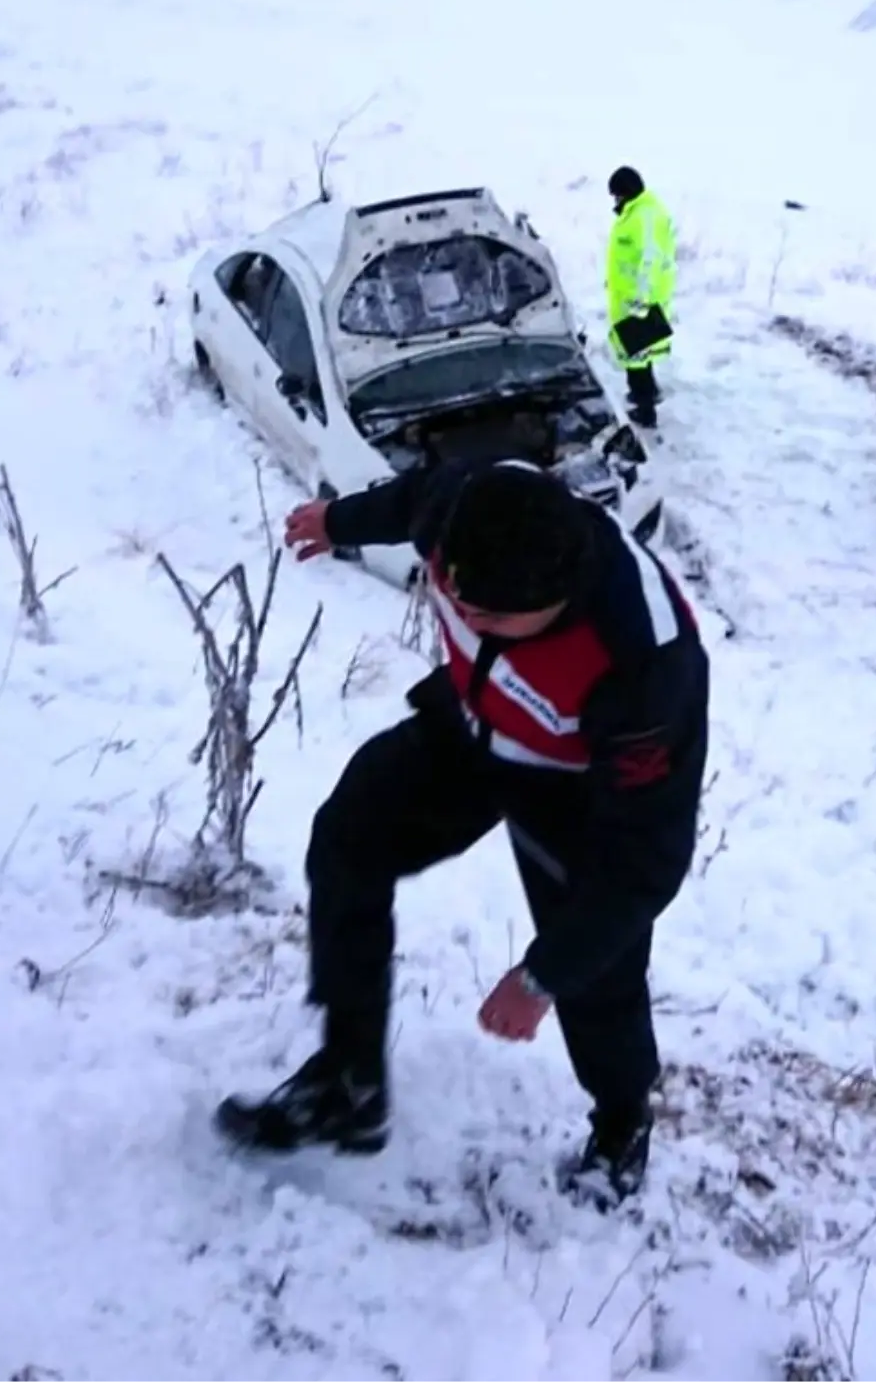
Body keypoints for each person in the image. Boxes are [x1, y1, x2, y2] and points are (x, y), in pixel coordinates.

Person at [216, 459, 709, 1206]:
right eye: (454, 594)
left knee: (597, 972)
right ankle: (349, 1084)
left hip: (574, 788)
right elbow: (411, 495)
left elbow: (646, 859)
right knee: (349, 838)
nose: (465, 617)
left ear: (560, 598)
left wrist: (541, 974)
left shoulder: (647, 659)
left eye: (494, 619)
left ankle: (621, 1122)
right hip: (473, 725)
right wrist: (337, 521)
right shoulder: (461, 505)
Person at [606, 167, 678, 431]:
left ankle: (645, 410)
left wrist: (641, 300)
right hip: (630, 297)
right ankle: (646, 394)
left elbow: (650, 261)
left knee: (635, 357)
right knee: (639, 354)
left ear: (626, 192)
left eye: (616, 196)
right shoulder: (637, 211)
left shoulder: (645, 216)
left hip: (639, 301)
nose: (615, 202)